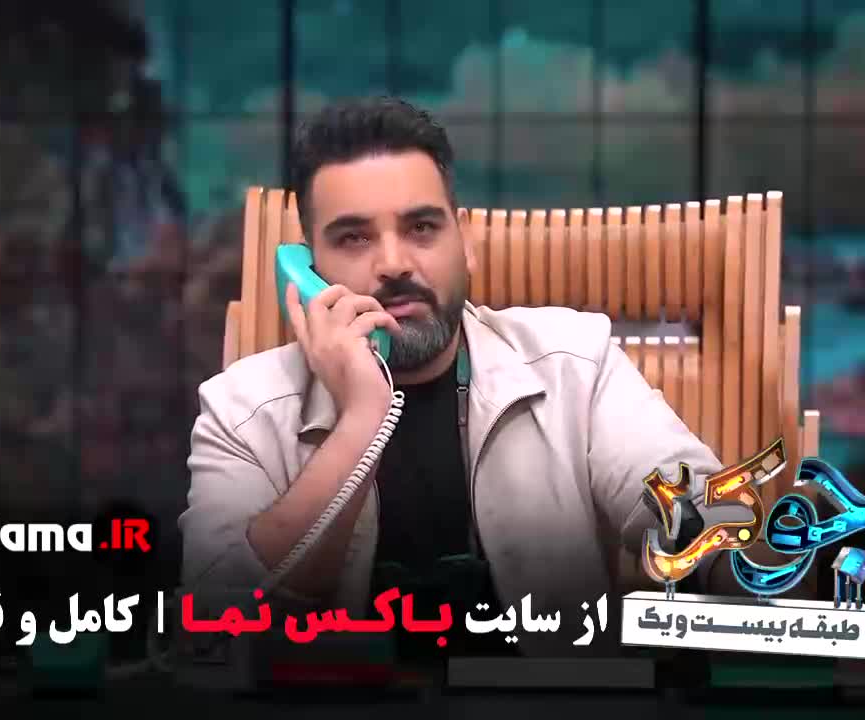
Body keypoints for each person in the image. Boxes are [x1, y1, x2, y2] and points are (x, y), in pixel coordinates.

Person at [179, 97, 751, 657]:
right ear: (307, 271)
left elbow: (702, 517)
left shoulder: (575, 364)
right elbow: (210, 631)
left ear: (464, 243)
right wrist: (359, 421)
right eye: (354, 237)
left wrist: (750, 574)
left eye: (421, 227)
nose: (394, 263)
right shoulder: (240, 409)